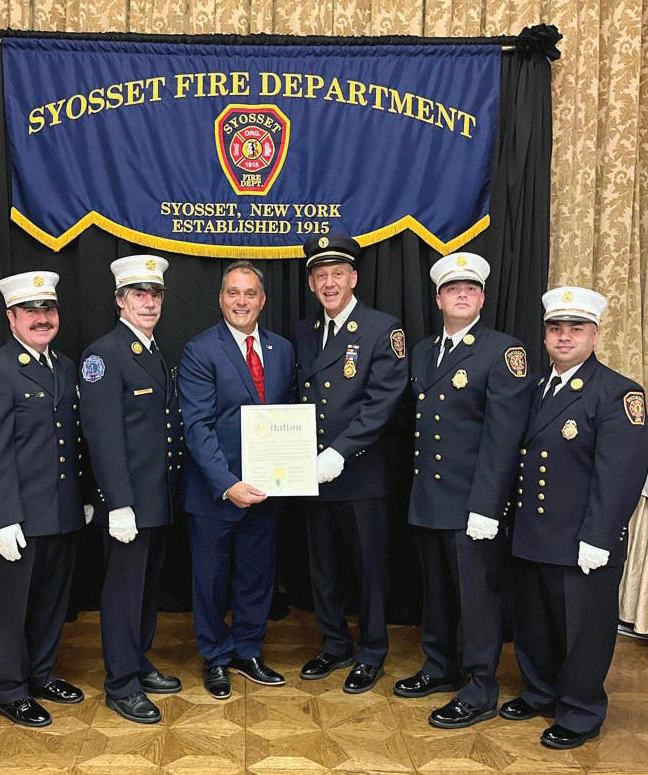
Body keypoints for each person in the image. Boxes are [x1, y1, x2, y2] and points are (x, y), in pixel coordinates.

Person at [499, 286, 648, 749]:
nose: (564, 337)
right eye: (555, 328)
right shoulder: (533, 388)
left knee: (583, 632)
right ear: (545, 335)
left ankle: (581, 712)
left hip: (583, 539)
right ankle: (540, 692)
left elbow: (622, 474)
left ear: (595, 334)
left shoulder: (618, 392)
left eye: (576, 328)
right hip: (533, 532)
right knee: (535, 623)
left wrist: (599, 537)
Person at [393, 252, 533, 729]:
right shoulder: (422, 351)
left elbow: (503, 437)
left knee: (477, 601)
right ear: (438, 299)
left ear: (482, 298)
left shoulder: (502, 351)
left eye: (470, 289)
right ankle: (439, 666)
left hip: (474, 504)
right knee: (436, 594)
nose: (462, 295)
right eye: (453, 289)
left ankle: (479, 687)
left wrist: (487, 506)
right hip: (429, 499)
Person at [0, 271, 89, 728]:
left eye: (48, 309)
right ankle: (10, 689)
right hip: (18, 516)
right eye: (31, 311)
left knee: (51, 603)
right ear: (11, 317)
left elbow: (73, 440)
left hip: (62, 510)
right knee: (11, 608)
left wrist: (84, 497)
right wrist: (1, 518)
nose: (42, 318)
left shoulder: (66, 366)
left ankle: (41, 674)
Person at [295, 235, 409, 694]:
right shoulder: (305, 332)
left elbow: (382, 403)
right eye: (321, 275)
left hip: (359, 474)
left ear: (354, 278)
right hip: (310, 473)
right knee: (322, 567)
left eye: (337, 274)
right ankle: (334, 643)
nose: (329, 283)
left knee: (368, 569)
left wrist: (338, 452)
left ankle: (372, 650)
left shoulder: (382, 329)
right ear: (311, 283)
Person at [178, 260, 295, 699]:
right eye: (233, 293)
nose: (241, 301)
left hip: (266, 489)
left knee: (256, 576)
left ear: (262, 300)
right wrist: (229, 484)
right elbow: (197, 426)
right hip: (216, 493)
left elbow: (288, 416)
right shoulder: (200, 350)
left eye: (249, 293)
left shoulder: (282, 349)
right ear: (221, 299)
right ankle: (215, 656)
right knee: (210, 580)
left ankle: (248, 650)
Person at [79, 255, 183, 725]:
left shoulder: (151, 349)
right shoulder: (104, 355)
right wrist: (118, 504)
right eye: (139, 295)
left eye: (155, 294)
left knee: (145, 590)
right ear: (120, 300)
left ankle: (137, 661)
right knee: (123, 595)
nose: (149, 303)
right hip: (128, 505)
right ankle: (121, 684)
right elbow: (103, 437)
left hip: (156, 499)